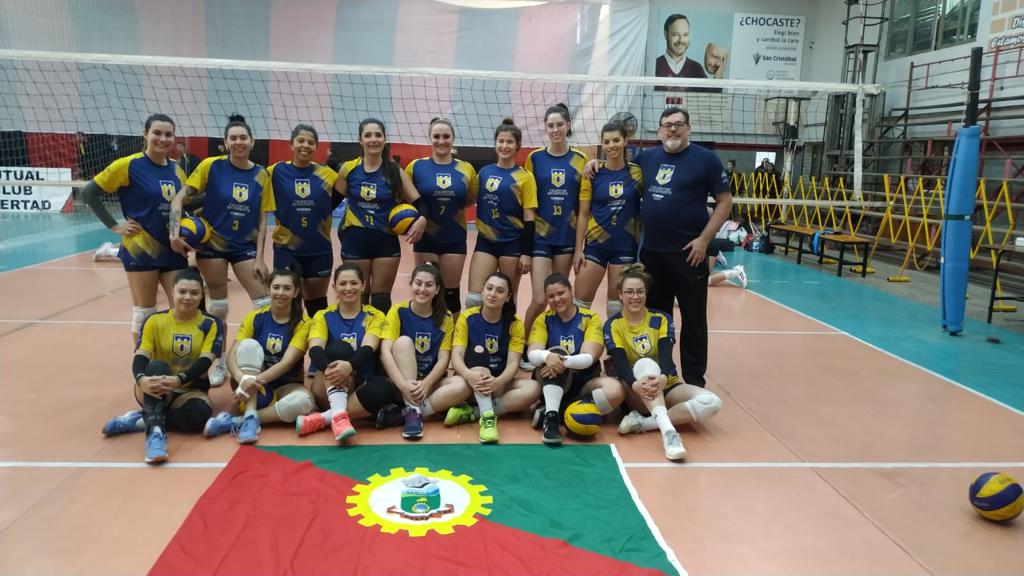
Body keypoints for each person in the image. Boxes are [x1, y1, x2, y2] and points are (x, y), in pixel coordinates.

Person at [169, 114, 273, 386]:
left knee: (264, 304)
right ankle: (220, 360)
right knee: (219, 308)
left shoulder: (262, 174)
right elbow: (180, 197)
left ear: (252, 142)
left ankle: (260, 358)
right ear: (225, 142)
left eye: (243, 138)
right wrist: (174, 233)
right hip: (212, 246)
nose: (238, 142)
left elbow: (263, 218)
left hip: (245, 247)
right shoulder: (210, 166)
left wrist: (261, 256)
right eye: (233, 138)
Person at [81, 113, 187, 343]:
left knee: (182, 310)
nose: (163, 138)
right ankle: (143, 363)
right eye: (157, 133)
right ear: (145, 134)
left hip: (173, 247)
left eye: (168, 134)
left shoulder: (177, 170)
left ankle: (172, 359)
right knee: (145, 312)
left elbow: (182, 205)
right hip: (141, 248)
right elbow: (89, 192)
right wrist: (114, 226)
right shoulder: (129, 165)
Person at [101, 268, 223, 464]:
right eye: (182, 291)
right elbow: (140, 356)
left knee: (199, 417)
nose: (188, 297)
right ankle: (155, 433)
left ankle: (141, 419)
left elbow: (205, 361)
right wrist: (141, 379)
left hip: (189, 390)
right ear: (172, 291)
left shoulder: (211, 323)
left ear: (202, 294)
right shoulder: (155, 321)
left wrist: (179, 379)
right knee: (156, 366)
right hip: (155, 386)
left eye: (194, 293)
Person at [605, 265, 722, 461]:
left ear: (646, 293)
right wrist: (634, 384)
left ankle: (644, 423)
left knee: (712, 402)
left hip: (665, 382)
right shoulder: (613, 324)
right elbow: (620, 363)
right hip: (637, 389)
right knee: (645, 363)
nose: (635, 297)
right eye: (629, 292)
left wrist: (663, 378)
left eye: (640, 291)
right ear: (620, 295)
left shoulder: (661, 319)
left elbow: (666, 357)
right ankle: (669, 435)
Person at [203, 268, 317, 444]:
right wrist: (242, 379)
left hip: (285, 385)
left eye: (287, 288)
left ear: (296, 292)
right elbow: (233, 354)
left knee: (305, 402)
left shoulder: (303, 323)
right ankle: (250, 414)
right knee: (248, 346)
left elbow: (287, 363)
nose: (281, 292)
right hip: (249, 388)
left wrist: (253, 382)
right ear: (269, 289)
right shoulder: (255, 317)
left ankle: (239, 420)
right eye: (276, 287)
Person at [334, 118, 428, 314]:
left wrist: (422, 220)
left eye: (378, 135)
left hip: (385, 242)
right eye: (368, 135)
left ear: (385, 140)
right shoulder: (348, 169)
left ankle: (378, 343)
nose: (373, 139)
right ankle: (357, 340)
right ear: (360, 140)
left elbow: (420, 204)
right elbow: (330, 203)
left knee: (381, 300)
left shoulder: (394, 171)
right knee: (357, 296)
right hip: (355, 240)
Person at [298, 263, 397, 441]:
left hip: (359, 387)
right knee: (339, 348)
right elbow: (315, 348)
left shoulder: (375, 315)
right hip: (328, 383)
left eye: (354, 283)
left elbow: (369, 347)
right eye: (343, 284)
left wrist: (349, 367)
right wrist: (329, 369)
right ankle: (338, 413)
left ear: (363, 285)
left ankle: (328, 418)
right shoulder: (323, 315)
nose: (348, 288)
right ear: (334, 286)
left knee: (385, 387)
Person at [523, 103, 590, 362]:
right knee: (540, 299)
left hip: (566, 238)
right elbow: (527, 199)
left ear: (568, 126)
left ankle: (555, 345)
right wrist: (525, 247)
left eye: (559, 124)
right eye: (550, 125)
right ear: (545, 128)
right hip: (540, 236)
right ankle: (525, 346)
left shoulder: (581, 159)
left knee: (561, 299)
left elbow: (583, 207)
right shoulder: (535, 158)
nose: (555, 129)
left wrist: (579, 247)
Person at [526, 273, 623, 445]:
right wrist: (548, 356)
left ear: (571, 291)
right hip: (551, 380)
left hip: (582, 382)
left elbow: (589, 357)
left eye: (561, 293)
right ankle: (551, 423)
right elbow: (533, 354)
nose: (556, 299)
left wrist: (563, 363)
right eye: (551, 296)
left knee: (615, 391)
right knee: (553, 352)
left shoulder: (590, 318)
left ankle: (551, 412)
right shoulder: (544, 319)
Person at [444, 272, 540, 444]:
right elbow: (456, 355)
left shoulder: (515, 324)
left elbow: (513, 363)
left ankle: (474, 413)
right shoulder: (468, 317)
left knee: (533, 388)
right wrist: (467, 375)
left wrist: (498, 381)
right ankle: (487, 418)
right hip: (471, 382)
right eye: (489, 288)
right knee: (479, 351)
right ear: (482, 291)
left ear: (508, 297)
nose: (492, 294)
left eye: (500, 291)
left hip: (498, 384)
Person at [378, 263, 471, 440]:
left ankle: (410, 413)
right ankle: (413, 410)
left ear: (437, 289)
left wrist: (427, 383)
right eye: (418, 283)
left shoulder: (446, 317)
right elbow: (385, 352)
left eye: (429, 285)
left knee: (463, 384)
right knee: (403, 342)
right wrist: (403, 384)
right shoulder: (398, 311)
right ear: (411, 283)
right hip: (401, 382)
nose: (422, 289)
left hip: (428, 384)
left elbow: (444, 359)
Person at [405, 118, 477, 317]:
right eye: (436, 136)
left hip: (454, 236)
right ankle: (427, 334)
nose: (441, 141)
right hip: (425, 236)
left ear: (453, 139)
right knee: (426, 292)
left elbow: (471, 198)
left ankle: (453, 342)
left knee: (451, 294)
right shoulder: (416, 167)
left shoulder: (466, 169)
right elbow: (406, 197)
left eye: (446, 136)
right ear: (430, 139)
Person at [267, 124, 341, 317]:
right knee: (287, 303)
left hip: (318, 249)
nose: (305, 145)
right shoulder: (275, 171)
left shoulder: (327, 175)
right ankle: (288, 345)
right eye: (300, 141)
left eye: (311, 142)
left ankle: (318, 345)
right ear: (291, 144)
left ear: (316, 146)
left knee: (317, 305)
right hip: (286, 249)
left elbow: (351, 192)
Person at [573, 120, 643, 320]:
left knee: (617, 307)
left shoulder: (637, 173)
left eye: (616, 140)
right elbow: (583, 214)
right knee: (580, 304)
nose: (612, 145)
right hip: (595, 246)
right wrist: (579, 249)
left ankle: (615, 348)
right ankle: (578, 347)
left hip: (625, 247)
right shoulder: (592, 173)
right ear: (602, 144)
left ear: (625, 141)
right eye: (607, 141)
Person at [466, 118, 536, 310]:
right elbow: (467, 199)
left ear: (517, 146)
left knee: (507, 301)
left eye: (509, 142)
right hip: (486, 241)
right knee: (474, 299)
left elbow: (530, 217)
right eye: (501, 141)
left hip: (512, 243)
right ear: (495, 143)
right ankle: (473, 339)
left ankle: (507, 339)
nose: (504, 146)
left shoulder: (525, 177)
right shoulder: (484, 172)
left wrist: (526, 253)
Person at [654, 14, 707, 79]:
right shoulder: (654, 66)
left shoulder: (696, 69)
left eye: (685, 35)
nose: (681, 40)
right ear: (665, 34)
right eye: (676, 35)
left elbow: (712, 89)